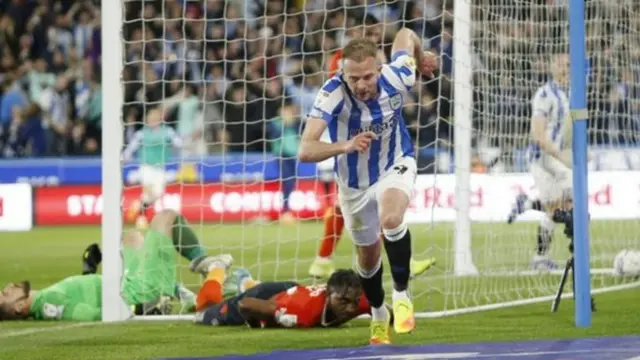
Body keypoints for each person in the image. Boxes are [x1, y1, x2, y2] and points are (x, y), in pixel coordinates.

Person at [298, 28, 438, 344]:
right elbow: (306, 150)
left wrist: (420, 56)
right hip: (353, 184)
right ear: (342, 74)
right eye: (354, 79)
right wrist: (345, 145)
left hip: (395, 161)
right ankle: (378, 314)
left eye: (368, 77)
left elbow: (405, 33)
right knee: (368, 257)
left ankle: (401, 295)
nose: (362, 85)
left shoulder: (399, 74)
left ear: (379, 68)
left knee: (391, 219)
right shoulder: (332, 93)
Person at [0, 210, 227, 321]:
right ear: (19, 307)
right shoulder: (48, 305)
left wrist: (89, 271)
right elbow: (89, 316)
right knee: (166, 218)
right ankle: (204, 263)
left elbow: (81, 298)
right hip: (139, 292)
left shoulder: (45, 298)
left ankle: (180, 292)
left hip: (128, 284)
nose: (8, 286)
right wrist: (138, 310)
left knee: (131, 238)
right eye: (5, 294)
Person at [193, 260, 379, 328]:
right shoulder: (301, 311)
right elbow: (246, 305)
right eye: (344, 301)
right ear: (329, 294)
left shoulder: (357, 298)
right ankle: (216, 267)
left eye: (354, 302)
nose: (350, 308)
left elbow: (385, 311)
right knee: (203, 313)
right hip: (265, 297)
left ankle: (243, 281)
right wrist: (255, 325)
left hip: (291, 291)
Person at [525, 53, 574, 270]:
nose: (565, 68)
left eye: (568, 64)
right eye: (561, 64)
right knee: (558, 207)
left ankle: (527, 204)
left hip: (558, 160)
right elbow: (538, 134)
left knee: (563, 205)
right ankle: (539, 258)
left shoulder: (570, 94)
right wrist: (560, 155)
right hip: (542, 159)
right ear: (553, 66)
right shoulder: (545, 95)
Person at [122, 107, 184, 229]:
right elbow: (130, 148)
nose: (153, 121)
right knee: (148, 192)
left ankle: (138, 206)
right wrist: (124, 158)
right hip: (146, 166)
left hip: (160, 167)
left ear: (160, 119)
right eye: (151, 118)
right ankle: (141, 219)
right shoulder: (141, 134)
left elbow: (179, 143)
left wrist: (175, 144)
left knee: (157, 193)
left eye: (155, 118)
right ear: (147, 119)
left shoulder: (167, 132)